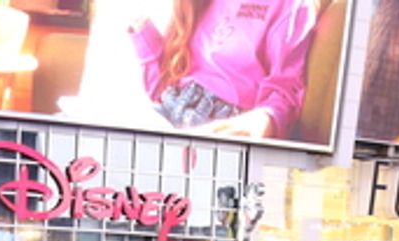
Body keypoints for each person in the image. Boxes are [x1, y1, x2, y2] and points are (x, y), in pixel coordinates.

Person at [130, 0, 319, 140]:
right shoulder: (197, 5)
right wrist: (143, 37)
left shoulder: (292, 6)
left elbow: (285, 91)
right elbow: (162, 90)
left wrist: (260, 122)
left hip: (221, 124)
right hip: (170, 110)